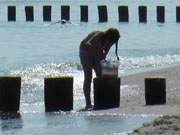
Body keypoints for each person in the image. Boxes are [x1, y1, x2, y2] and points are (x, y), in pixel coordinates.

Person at [79, 28, 120, 110]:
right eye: (111, 41)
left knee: (101, 75)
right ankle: (88, 104)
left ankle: (101, 100)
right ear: (108, 36)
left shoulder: (110, 41)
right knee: (88, 76)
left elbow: (103, 55)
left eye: (113, 43)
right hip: (85, 51)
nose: (111, 43)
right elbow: (88, 43)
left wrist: (102, 55)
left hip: (95, 53)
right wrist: (97, 51)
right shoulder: (98, 35)